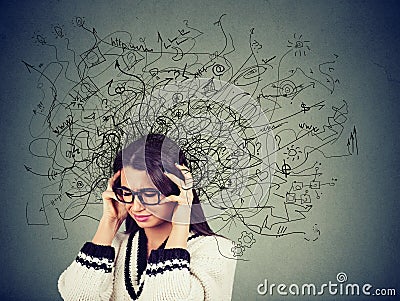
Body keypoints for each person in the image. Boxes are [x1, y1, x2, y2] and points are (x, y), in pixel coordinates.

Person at [58, 133, 237, 300]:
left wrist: (182, 220)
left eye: (149, 194)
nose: (135, 206)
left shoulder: (216, 250)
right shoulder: (113, 245)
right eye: (126, 192)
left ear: (176, 190)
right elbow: (77, 296)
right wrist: (109, 222)